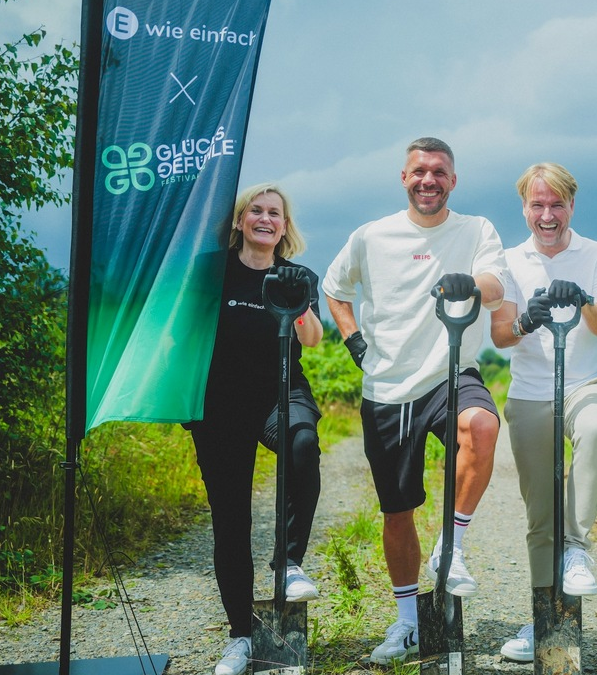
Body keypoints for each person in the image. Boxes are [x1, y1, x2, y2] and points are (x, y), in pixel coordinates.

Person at [321, 137, 507, 665]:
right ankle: (406, 624)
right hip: (388, 387)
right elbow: (335, 289)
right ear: (404, 178)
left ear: (454, 181)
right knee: (397, 511)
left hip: (452, 370)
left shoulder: (475, 230)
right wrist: (354, 339)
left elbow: (494, 286)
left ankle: (452, 543)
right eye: (420, 172)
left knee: (483, 427)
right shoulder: (370, 236)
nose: (429, 180)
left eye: (440, 172)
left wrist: (468, 280)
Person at [185, 183, 325, 675]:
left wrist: (299, 304)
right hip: (219, 405)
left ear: (285, 227)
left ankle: (288, 565)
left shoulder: (296, 274)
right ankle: (240, 637)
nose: (266, 219)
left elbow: (314, 335)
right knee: (231, 521)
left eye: (275, 214)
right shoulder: (213, 272)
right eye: (257, 211)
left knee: (303, 445)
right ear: (241, 219)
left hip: (280, 393)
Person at [489, 162, 597, 661]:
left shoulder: (596, 253)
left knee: (592, 426)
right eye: (537, 205)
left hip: (584, 382)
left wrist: (582, 298)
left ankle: (579, 547)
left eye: (557, 204)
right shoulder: (509, 259)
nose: (548, 215)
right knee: (540, 513)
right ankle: (544, 620)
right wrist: (528, 318)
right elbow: (501, 336)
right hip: (531, 389)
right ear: (525, 207)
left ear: (571, 205)